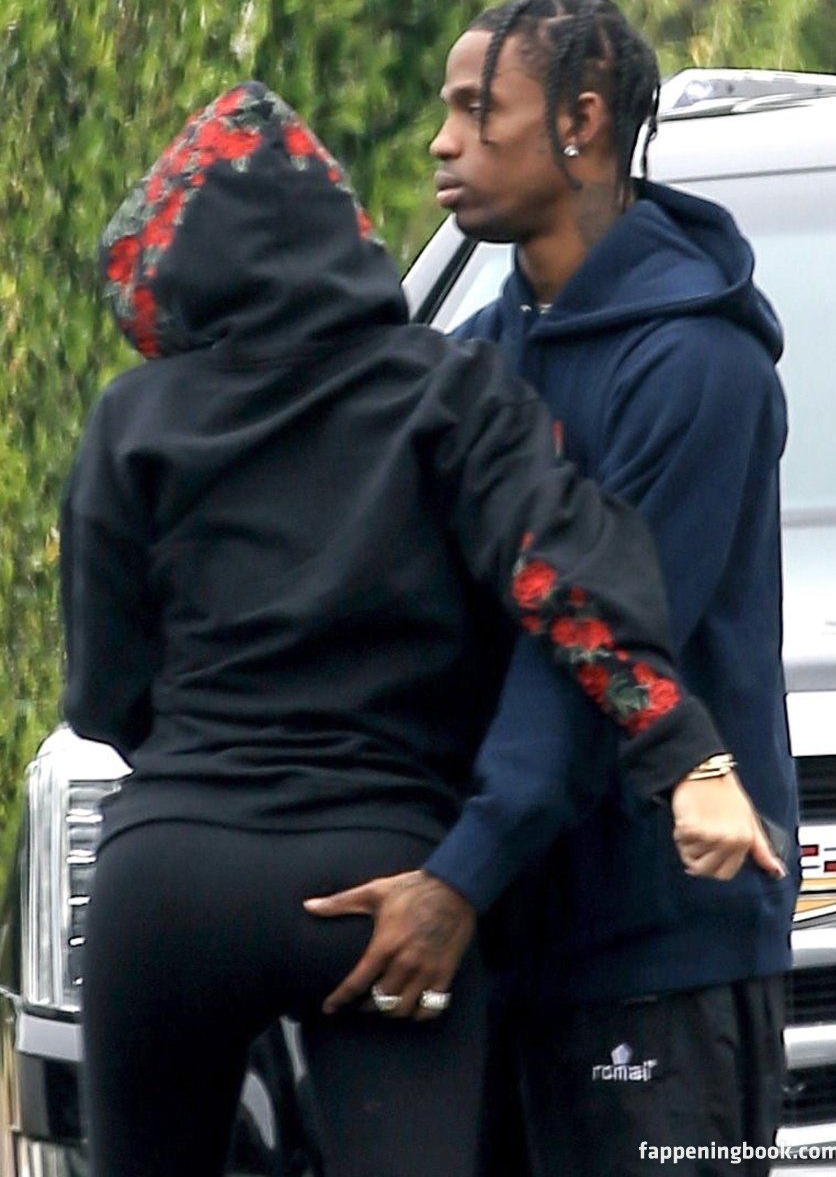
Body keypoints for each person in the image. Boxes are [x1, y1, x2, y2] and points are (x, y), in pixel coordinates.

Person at [60, 80, 760, 1177]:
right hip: (381, 878)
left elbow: (105, 689)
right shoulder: (452, 391)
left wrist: (208, 776)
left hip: (169, 882)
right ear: (344, 237)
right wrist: (681, 749)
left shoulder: (131, 416)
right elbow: (566, 585)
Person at [311, 0, 797, 1177]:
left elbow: (593, 647)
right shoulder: (478, 356)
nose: (443, 141)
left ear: (579, 121)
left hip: (658, 960)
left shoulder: (697, 365)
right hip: (502, 946)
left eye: (478, 110)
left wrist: (459, 876)